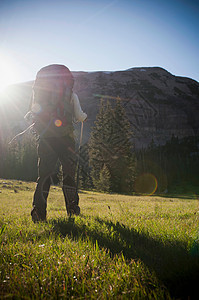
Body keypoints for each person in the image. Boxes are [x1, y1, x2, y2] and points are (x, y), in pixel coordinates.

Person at [27, 64, 87, 222]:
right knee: (69, 175)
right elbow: (79, 116)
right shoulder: (71, 95)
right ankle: (72, 209)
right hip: (66, 140)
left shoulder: (40, 95)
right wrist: (83, 117)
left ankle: (39, 212)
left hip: (47, 139)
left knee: (44, 176)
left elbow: (33, 111)